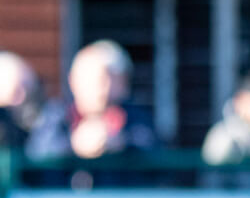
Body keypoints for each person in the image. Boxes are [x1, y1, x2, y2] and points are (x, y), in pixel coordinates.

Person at [25, 39, 157, 188]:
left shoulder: (136, 118)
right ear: (73, 80)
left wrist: (121, 145)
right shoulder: (56, 115)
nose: (102, 86)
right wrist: (74, 147)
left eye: (110, 78)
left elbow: (158, 162)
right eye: (93, 77)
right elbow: (34, 160)